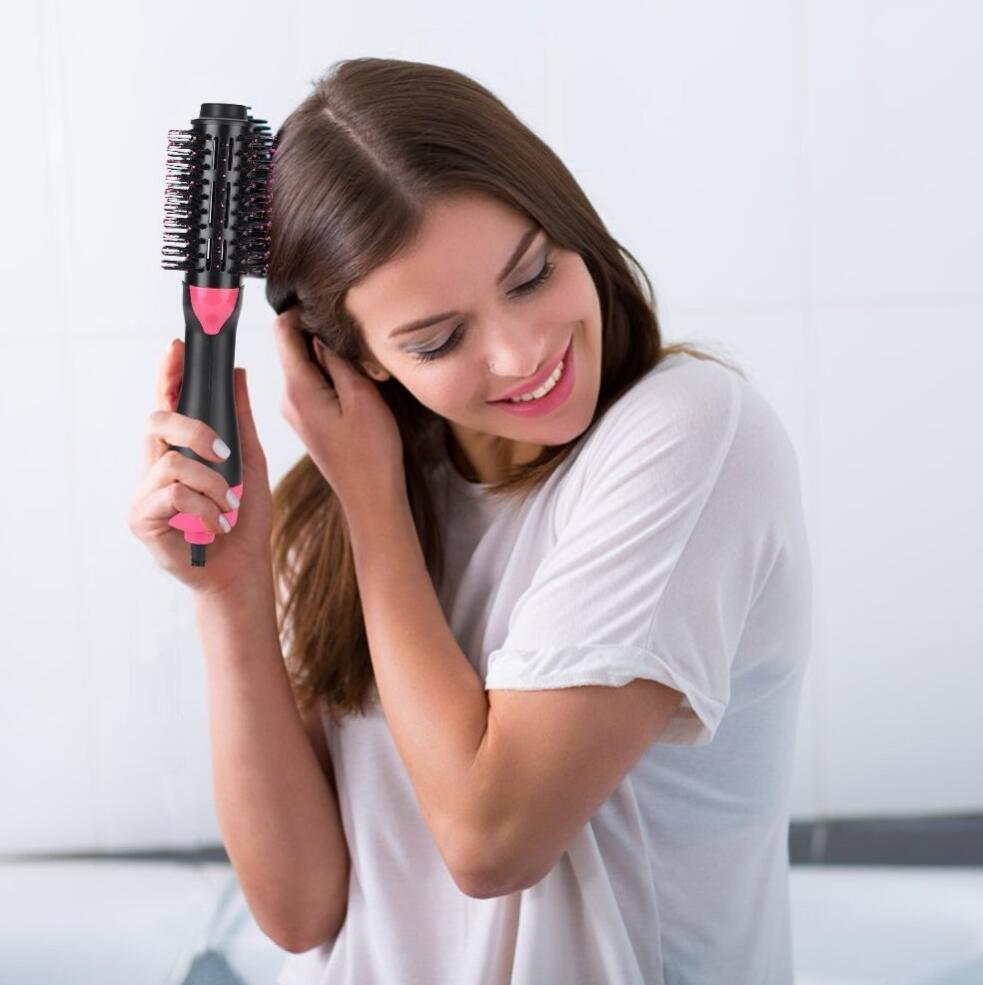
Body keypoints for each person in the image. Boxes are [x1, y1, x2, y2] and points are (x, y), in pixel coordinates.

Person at [130, 57, 812, 985]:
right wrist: (230, 590)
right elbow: (300, 913)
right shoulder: (328, 511)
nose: (522, 351)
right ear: (351, 359)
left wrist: (375, 508)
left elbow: (490, 838)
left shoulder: (688, 436)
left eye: (531, 274)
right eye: (439, 339)